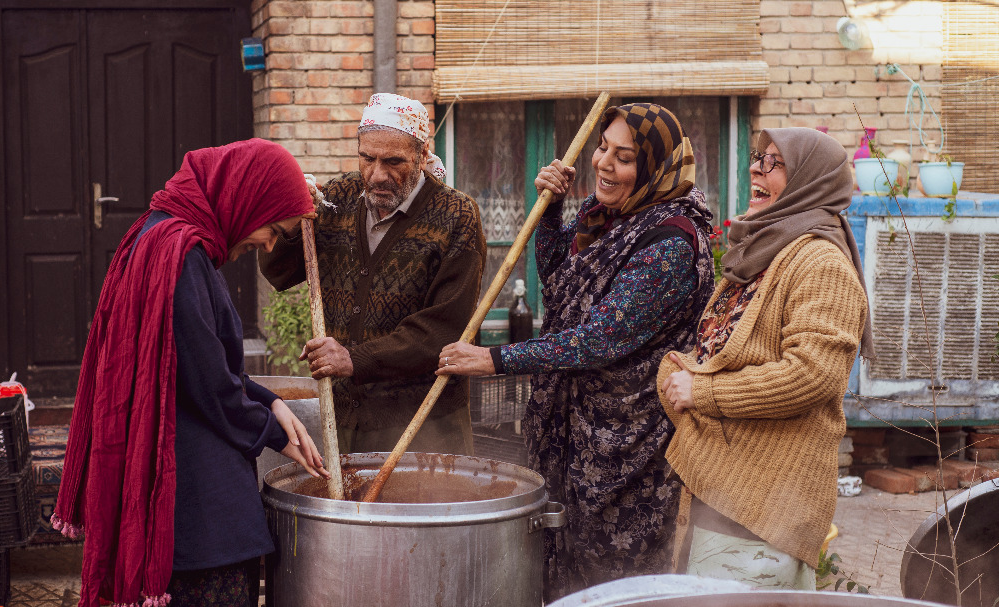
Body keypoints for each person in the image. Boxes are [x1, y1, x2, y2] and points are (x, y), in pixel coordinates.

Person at [437, 103, 716, 601]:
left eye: (624, 157)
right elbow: (558, 284)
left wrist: (496, 360)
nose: (604, 163)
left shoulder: (669, 241)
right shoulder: (608, 216)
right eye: (602, 147)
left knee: (613, 584)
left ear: (655, 167)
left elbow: (599, 338)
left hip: (627, 445)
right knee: (560, 569)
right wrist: (550, 211)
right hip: (575, 431)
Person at [53, 139, 330, 607]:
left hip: (188, 490)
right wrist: (272, 433)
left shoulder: (160, 234)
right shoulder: (181, 256)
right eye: (273, 228)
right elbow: (209, 384)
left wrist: (272, 401)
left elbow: (198, 364)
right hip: (197, 514)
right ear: (246, 200)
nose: (268, 243)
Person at [658, 127, 873, 589]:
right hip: (727, 497)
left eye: (775, 162)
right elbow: (725, 349)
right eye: (758, 157)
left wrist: (703, 389)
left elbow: (811, 375)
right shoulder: (766, 254)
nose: (756, 168)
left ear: (810, 182)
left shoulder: (822, 265)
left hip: (766, 508)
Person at [259, 93, 486, 456]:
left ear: (422, 155)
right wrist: (289, 219)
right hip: (344, 418)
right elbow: (279, 272)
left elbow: (444, 330)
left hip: (422, 427)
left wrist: (355, 358)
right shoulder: (338, 195)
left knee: (418, 511)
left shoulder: (457, 215)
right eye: (368, 158)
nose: (377, 175)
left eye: (394, 161)